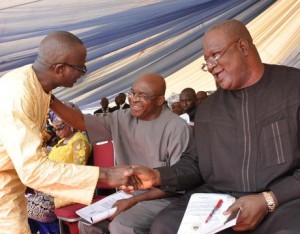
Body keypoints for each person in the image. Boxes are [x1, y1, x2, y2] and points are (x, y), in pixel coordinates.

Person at [129, 19, 300, 233]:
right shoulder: (209, 109)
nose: (210, 67)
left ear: (243, 47)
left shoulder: (294, 87)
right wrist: (156, 176)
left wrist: (269, 199)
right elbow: (195, 163)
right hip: (222, 204)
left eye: (215, 55)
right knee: (166, 225)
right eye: (206, 61)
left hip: (284, 201)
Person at [0, 31, 134, 233]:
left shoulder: (38, 86)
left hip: (13, 183)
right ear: (59, 69)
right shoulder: (18, 94)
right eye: (81, 68)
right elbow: (33, 170)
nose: (82, 74)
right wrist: (105, 174)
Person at [50, 73, 196, 234]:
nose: (133, 99)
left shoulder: (176, 128)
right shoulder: (121, 117)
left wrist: (134, 201)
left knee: (122, 226)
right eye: (132, 93)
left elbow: (178, 183)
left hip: (163, 198)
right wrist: (50, 99)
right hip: (127, 195)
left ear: (160, 100)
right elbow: (80, 122)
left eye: (142, 96)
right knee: (87, 223)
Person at [27, 103, 92, 233]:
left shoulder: (79, 141)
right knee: (21, 205)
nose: (57, 132)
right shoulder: (61, 142)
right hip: (53, 187)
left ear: (71, 123)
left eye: (60, 127)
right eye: (55, 128)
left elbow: (77, 173)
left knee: (37, 209)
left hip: (67, 189)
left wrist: (51, 184)